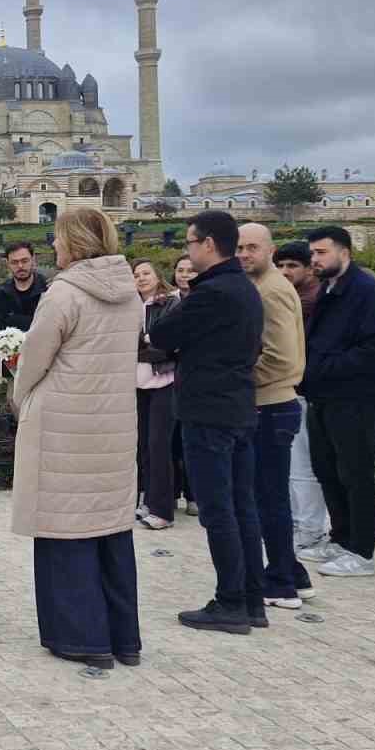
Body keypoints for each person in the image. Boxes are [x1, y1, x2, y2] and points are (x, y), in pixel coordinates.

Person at [8, 208, 140, 669]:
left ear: (75, 242)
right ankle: (123, 639)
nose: (54, 247)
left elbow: (34, 360)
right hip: (114, 424)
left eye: (59, 239)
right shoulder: (130, 295)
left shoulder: (63, 294)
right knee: (109, 531)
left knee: (65, 530)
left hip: (64, 425)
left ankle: (81, 637)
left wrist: (20, 399)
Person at [149, 211, 266, 635]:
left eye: (191, 243)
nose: (187, 250)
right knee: (241, 506)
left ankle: (231, 602)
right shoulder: (245, 289)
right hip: (237, 408)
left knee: (218, 510)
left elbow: (162, 335)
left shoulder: (212, 293)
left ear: (210, 245)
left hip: (209, 413)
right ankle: (252, 598)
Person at [298, 226, 375, 578]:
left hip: (354, 398)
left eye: (322, 252)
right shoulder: (328, 288)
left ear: (344, 252)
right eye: (313, 253)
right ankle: (341, 538)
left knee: (355, 473)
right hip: (323, 396)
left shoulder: (365, 290)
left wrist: (328, 368)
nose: (315, 259)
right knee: (327, 469)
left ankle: (362, 549)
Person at [235, 224, 313, 609]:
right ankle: (293, 572)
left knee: (269, 497)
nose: (245, 254)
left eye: (252, 247)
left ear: (270, 249)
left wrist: (240, 381)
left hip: (270, 405)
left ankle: (281, 582)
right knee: (269, 494)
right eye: (239, 248)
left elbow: (282, 356)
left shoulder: (272, 291)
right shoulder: (264, 287)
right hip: (268, 402)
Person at [274, 241, 327, 550]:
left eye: (292, 266)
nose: (285, 272)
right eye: (280, 265)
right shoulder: (287, 298)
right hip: (287, 390)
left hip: (306, 390)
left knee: (304, 466)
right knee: (292, 465)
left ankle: (311, 528)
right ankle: (299, 522)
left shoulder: (314, 302)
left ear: (309, 269)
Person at [130, 260, 177, 529]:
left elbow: (167, 345)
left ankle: (163, 510)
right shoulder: (131, 305)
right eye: (136, 275)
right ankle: (148, 499)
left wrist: (144, 344)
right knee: (143, 446)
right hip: (137, 385)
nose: (141, 278)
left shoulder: (170, 303)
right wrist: (145, 343)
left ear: (158, 275)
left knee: (159, 446)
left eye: (146, 273)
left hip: (162, 381)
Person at [0, 242, 47, 380]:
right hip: (13, 368)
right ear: (8, 264)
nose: (20, 266)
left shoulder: (48, 290)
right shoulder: (1, 295)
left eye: (24, 261)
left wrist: (14, 322)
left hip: (46, 367)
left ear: (33, 260)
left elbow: (51, 329)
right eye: (14, 262)